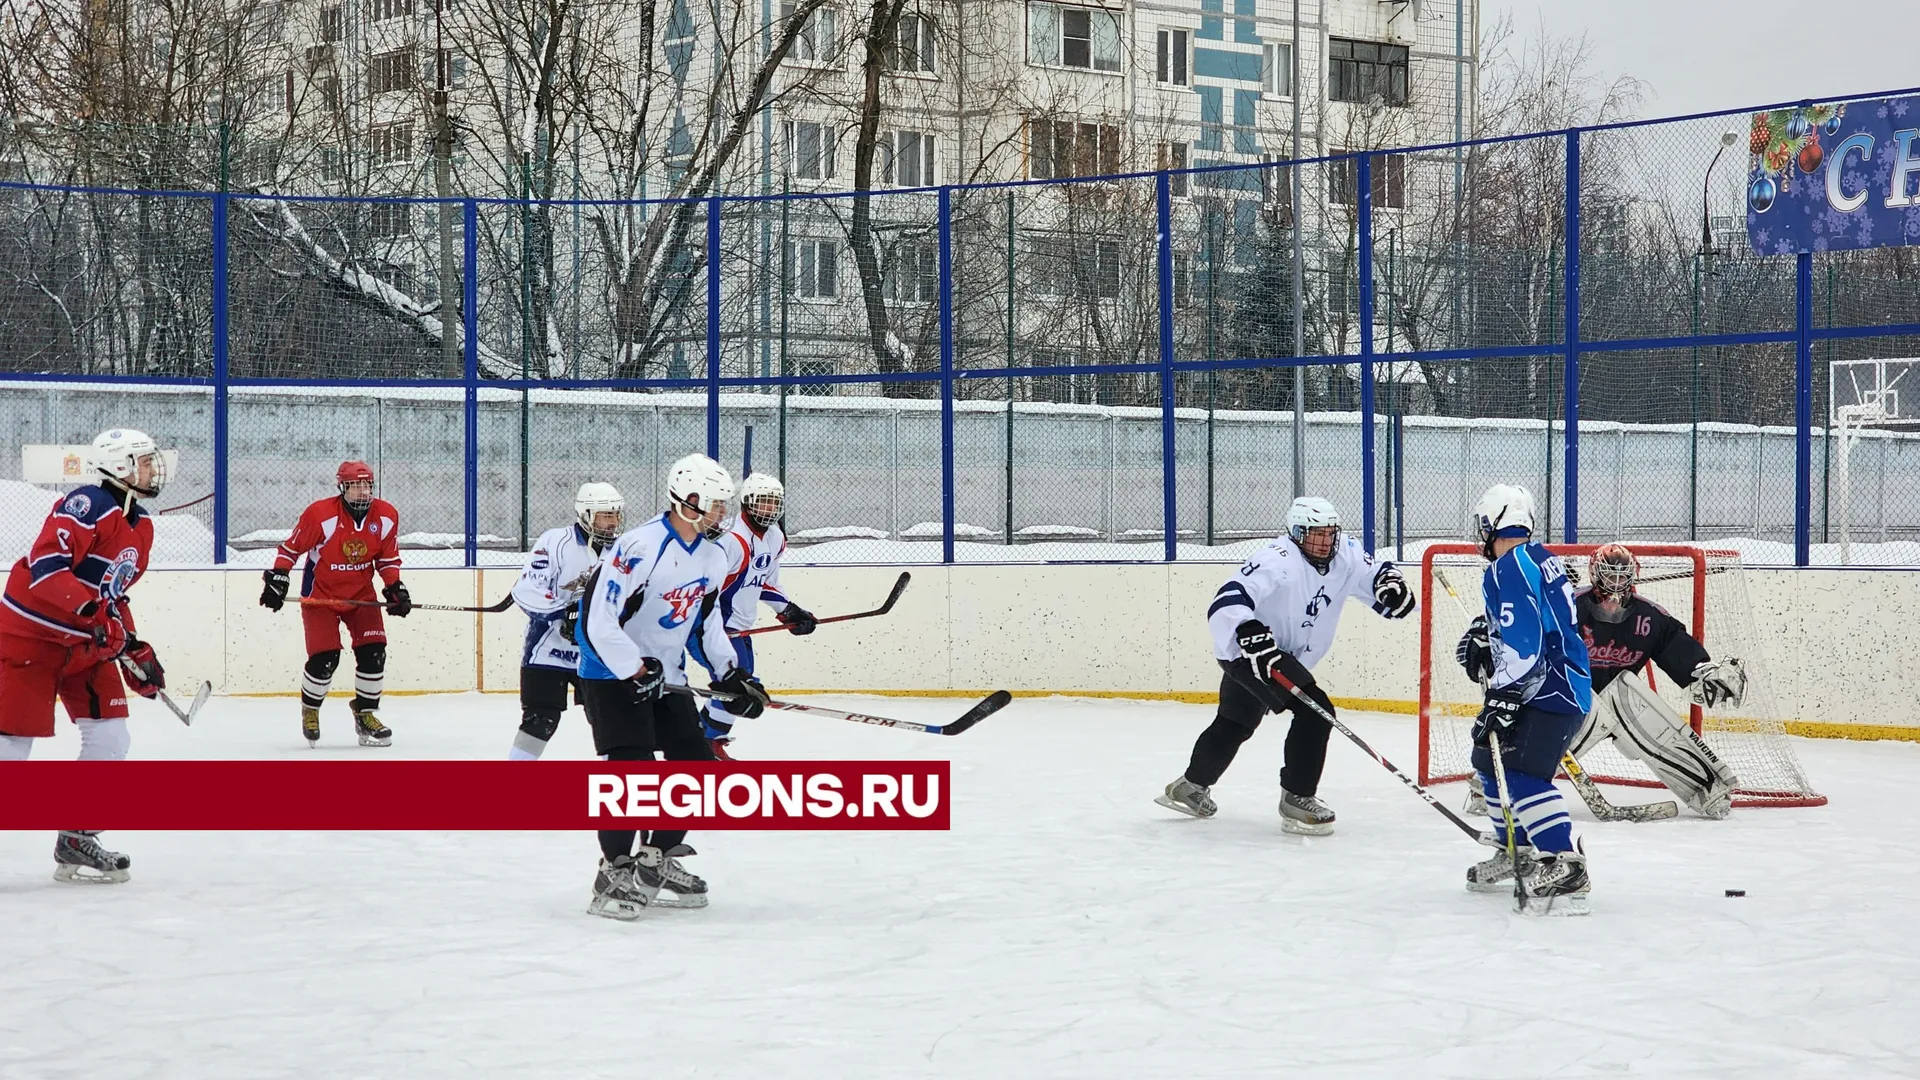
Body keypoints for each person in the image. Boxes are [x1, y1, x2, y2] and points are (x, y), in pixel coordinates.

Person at [575, 454, 769, 920]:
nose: (725, 514)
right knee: (632, 774)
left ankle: (654, 861)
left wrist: (731, 674)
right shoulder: (639, 546)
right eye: (718, 505)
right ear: (690, 501)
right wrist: (632, 668)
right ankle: (613, 870)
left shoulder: (714, 555)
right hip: (609, 676)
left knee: (695, 772)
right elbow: (596, 622)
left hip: (669, 679)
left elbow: (704, 624)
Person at [1156, 496, 1416, 834]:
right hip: (1253, 653)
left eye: (1329, 533)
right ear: (1295, 533)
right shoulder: (1276, 560)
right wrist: (1247, 630)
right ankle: (1297, 798)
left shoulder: (1346, 552)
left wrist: (1389, 588)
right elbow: (1227, 599)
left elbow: (1376, 571)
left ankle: (1189, 788)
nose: (1324, 541)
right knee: (1316, 711)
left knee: (1235, 723)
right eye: (1314, 534)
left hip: (1282, 654)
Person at [0, 428, 172, 883]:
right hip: (30, 640)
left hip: (83, 645)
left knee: (112, 739)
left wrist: (133, 647)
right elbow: (45, 568)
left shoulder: (144, 525)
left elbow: (112, 595)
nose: (153, 468)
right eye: (144, 460)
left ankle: (76, 836)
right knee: (11, 750)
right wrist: (95, 614)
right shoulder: (86, 505)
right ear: (119, 466)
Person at [1454, 484, 1593, 915]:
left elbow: (1526, 640)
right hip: (1551, 683)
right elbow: (1531, 618)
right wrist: (1484, 631)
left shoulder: (1506, 568)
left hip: (1547, 688)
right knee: (1488, 761)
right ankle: (1515, 850)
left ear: (1491, 524)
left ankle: (1563, 863)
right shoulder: (1538, 558)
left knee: (1525, 773)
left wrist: (1506, 693)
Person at [1566, 543, 1744, 818]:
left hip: (1620, 703)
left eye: (1622, 575)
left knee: (1636, 700)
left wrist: (1702, 671)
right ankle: (1495, 785)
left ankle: (1707, 789)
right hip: (1572, 699)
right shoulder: (1567, 605)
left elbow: (1676, 646)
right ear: (1594, 574)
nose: (1615, 583)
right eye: (1609, 575)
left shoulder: (1650, 617)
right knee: (1542, 744)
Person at [259, 460, 410, 747]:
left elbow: (387, 559)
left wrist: (394, 587)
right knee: (325, 659)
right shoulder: (320, 514)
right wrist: (278, 578)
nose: (362, 492)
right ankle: (311, 709)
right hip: (321, 596)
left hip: (361, 596)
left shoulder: (387, 516)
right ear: (342, 488)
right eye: (355, 486)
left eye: (367, 486)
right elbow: (290, 549)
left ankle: (365, 714)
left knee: (374, 652)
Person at [689, 472, 816, 758]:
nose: (768, 510)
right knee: (738, 687)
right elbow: (705, 588)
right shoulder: (731, 540)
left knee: (737, 689)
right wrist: (705, 628)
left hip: (741, 627)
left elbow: (764, 580)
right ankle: (705, 744)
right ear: (747, 503)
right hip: (718, 628)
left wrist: (788, 611)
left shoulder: (775, 537)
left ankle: (701, 738)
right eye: (762, 503)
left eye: (774, 503)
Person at [507, 482, 624, 760]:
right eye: (605, 515)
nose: (613, 522)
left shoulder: (624, 549)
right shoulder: (556, 541)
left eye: (616, 514)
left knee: (613, 725)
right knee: (540, 721)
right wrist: (563, 612)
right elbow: (528, 589)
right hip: (548, 651)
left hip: (597, 656)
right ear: (585, 514)